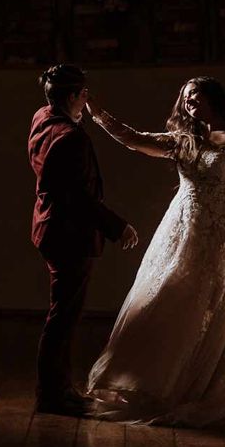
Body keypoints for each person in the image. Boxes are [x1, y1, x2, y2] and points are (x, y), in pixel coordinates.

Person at [85, 76, 225, 426]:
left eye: (196, 95)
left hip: (219, 233)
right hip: (179, 228)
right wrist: (98, 113)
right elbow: (135, 140)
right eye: (186, 97)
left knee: (208, 304)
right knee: (164, 298)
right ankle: (156, 383)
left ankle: (200, 386)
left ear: (213, 99)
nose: (190, 101)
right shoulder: (183, 141)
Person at [28, 64, 139, 417]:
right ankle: (52, 394)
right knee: (63, 317)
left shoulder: (42, 118)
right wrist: (118, 227)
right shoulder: (72, 138)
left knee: (62, 314)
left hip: (48, 228)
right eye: (84, 94)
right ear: (74, 96)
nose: (87, 100)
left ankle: (59, 389)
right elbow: (78, 197)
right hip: (69, 234)